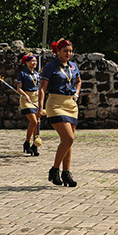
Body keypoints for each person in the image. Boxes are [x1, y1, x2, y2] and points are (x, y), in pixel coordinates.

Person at [41, 38, 82, 187]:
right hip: (55, 103)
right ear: (58, 51)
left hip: (71, 104)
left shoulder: (73, 66)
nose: (68, 53)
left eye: (70, 51)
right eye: (65, 51)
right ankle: (54, 169)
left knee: (67, 142)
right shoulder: (51, 67)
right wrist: (40, 107)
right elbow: (42, 88)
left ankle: (66, 173)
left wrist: (76, 94)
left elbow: (78, 81)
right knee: (68, 138)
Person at [14, 51, 43, 156]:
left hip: (35, 99)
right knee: (34, 122)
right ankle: (27, 142)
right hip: (26, 100)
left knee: (37, 124)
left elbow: (40, 86)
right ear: (27, 62)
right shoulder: (23, 74)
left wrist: (39, 91)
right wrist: (25, 95)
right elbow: (19, 88)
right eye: (32, 61)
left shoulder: (37, 74)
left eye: (35, 61)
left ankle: (35, 146)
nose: (34, 63)